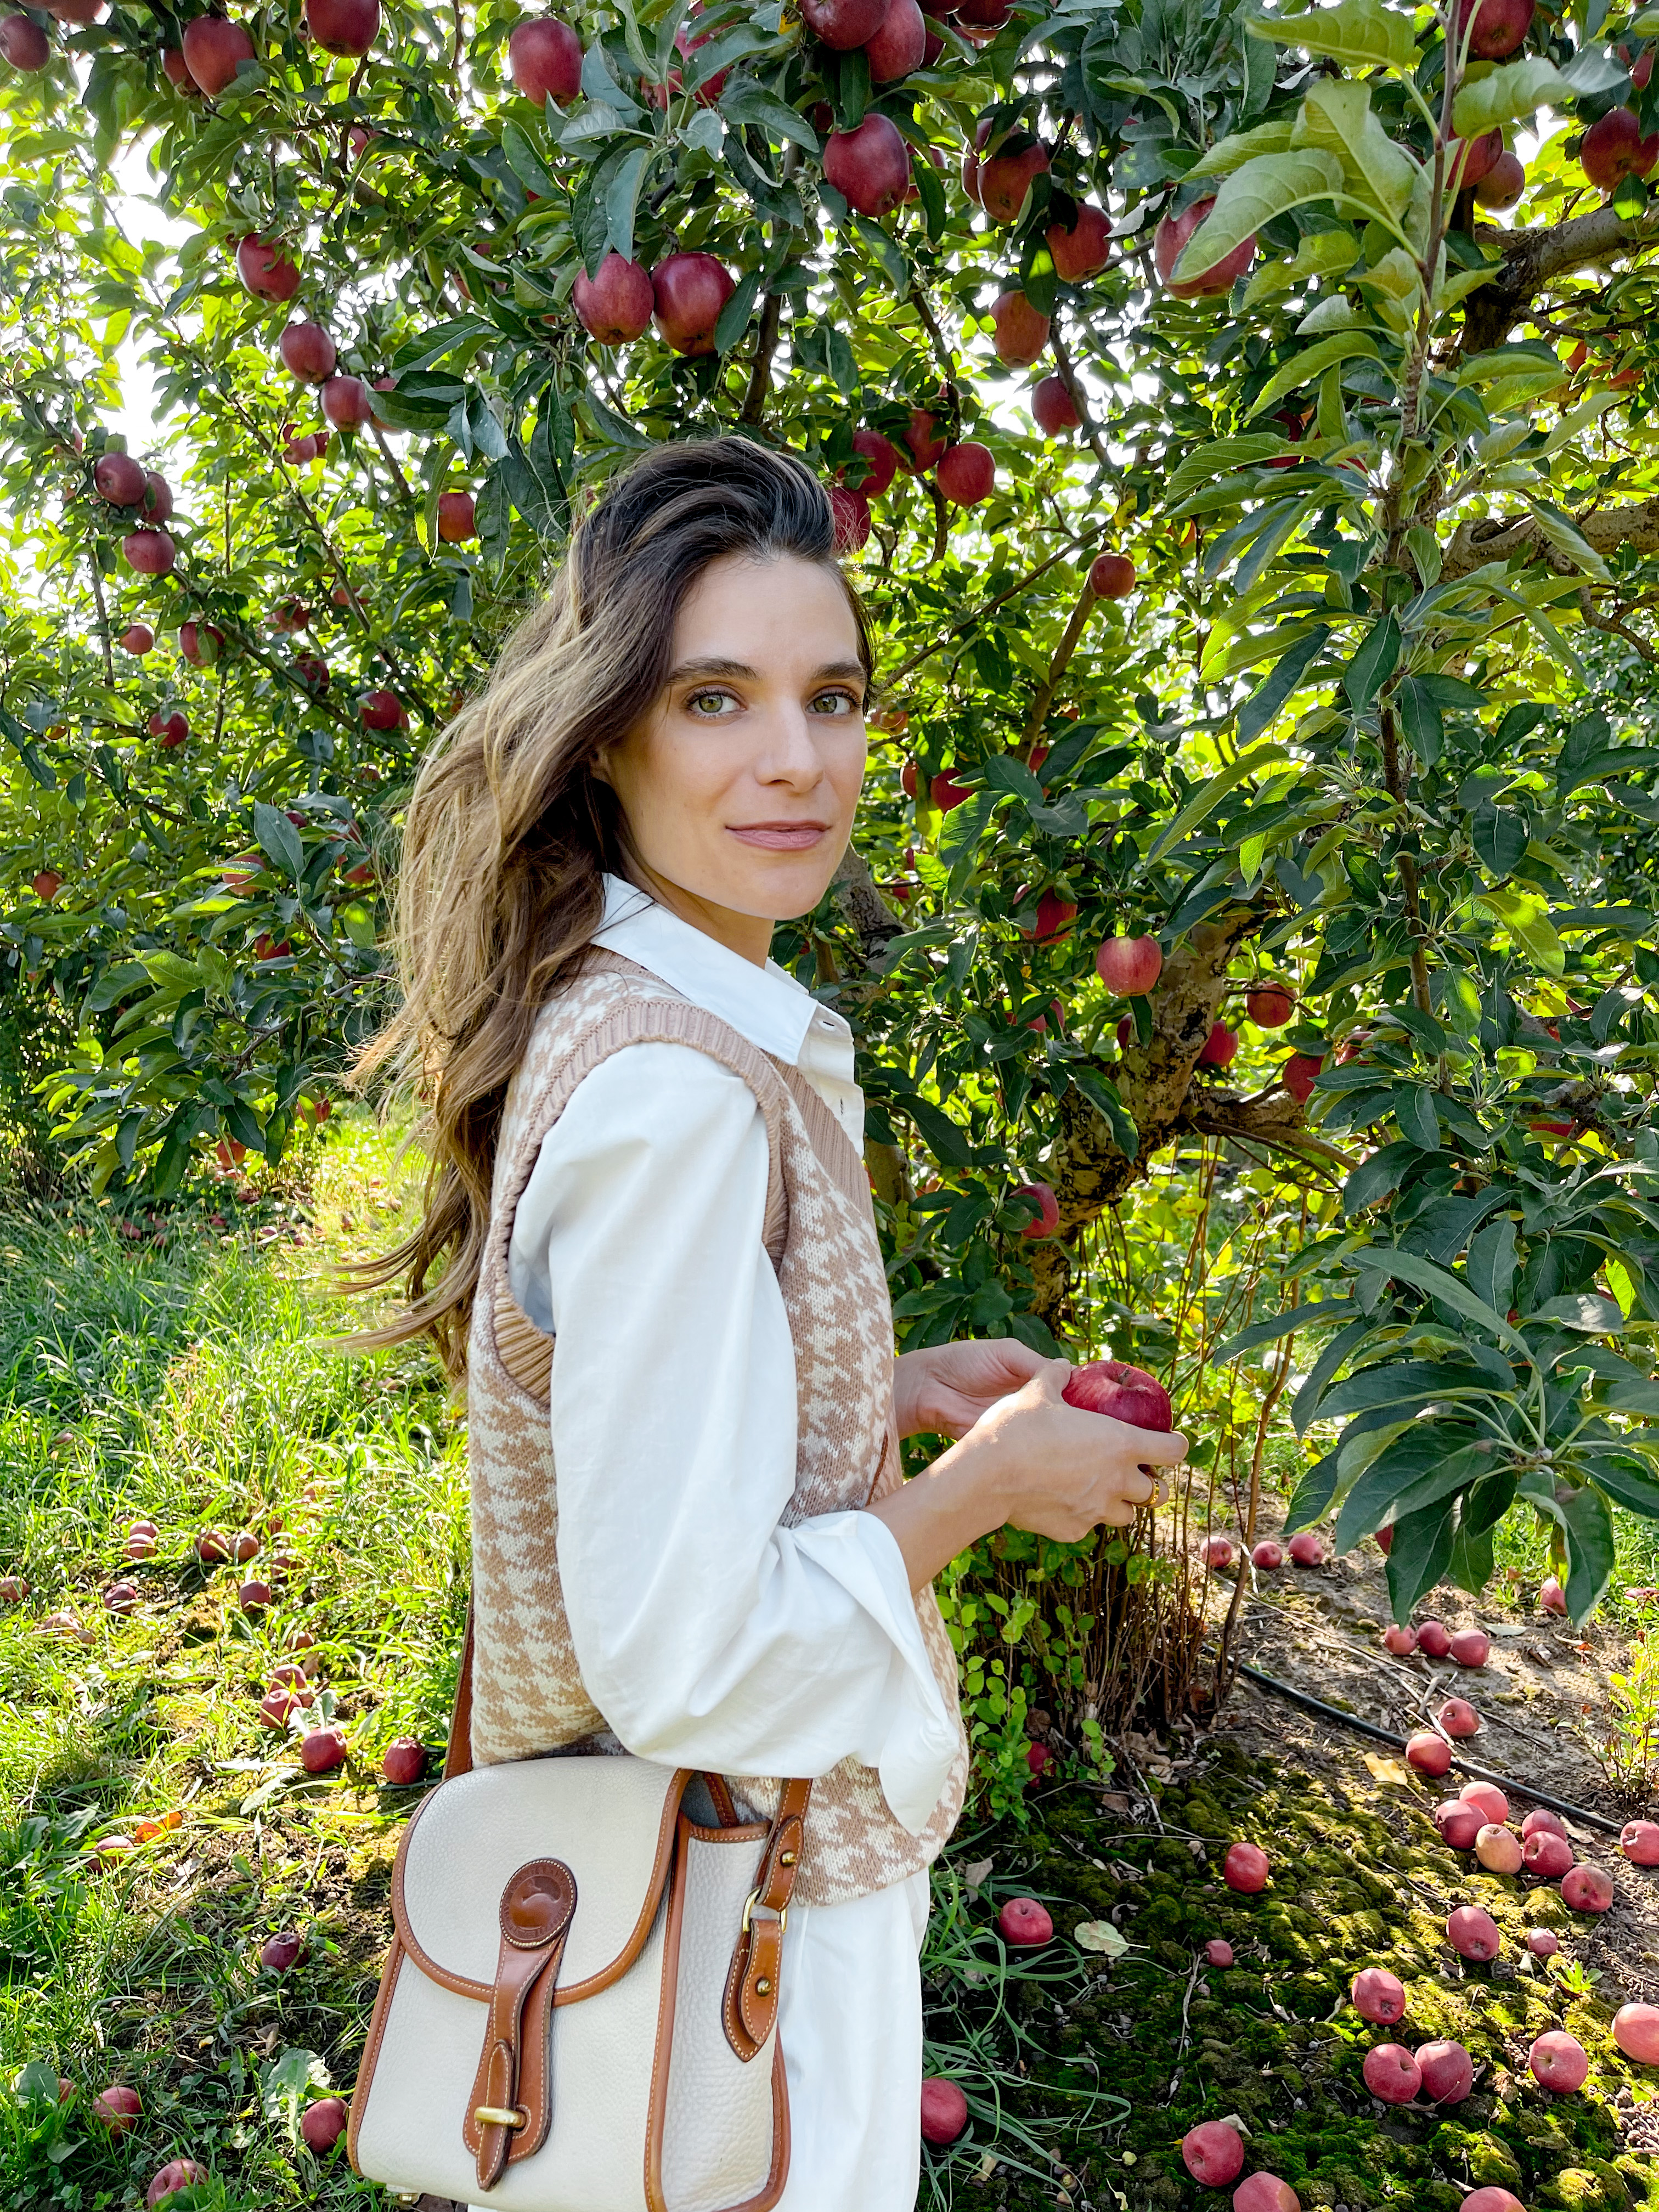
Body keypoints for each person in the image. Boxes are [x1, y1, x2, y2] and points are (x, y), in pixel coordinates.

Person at [348, 436, 1186, 2211]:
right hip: (741, 1928)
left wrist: (870, 1390)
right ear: (613, 737)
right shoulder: (675, 1092)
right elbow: (688, 1660)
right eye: (717, 698)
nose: (799, 761)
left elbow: (632, 1417)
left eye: (835, 697)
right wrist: (978, 1490)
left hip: (719, 1901)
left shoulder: (640, 1009)